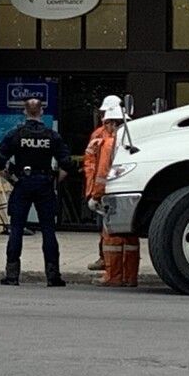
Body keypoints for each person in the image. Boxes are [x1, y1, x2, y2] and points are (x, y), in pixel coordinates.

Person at [0, 98, 74, 287]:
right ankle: (53, 275)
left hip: (22, 183)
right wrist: (53, 180)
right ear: (41, 112)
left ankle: (12, 275)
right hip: (45, 184)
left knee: (16, 229)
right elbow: (66, 164)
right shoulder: (51, 136)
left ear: (24, 112)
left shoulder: (16, 134)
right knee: (48, 230)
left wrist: (11, 178)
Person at [88, 105, 139, 287]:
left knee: (112, 239)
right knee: (131, 240)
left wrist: (95, 196)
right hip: (132, 194)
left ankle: (114, 277)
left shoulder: (109, 143)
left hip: (113, 194)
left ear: (110, 123)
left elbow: (102, 173)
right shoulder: (134, 141)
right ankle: (130, 277)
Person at [84, 95, 122, 272]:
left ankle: (115, 265)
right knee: (104, 227)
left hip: (117, 185)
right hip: (104, 187)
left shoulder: (124, 133)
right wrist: (93, 192)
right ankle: (105, 259)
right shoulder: (99, 136)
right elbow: (91, 165)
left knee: (114, 228)